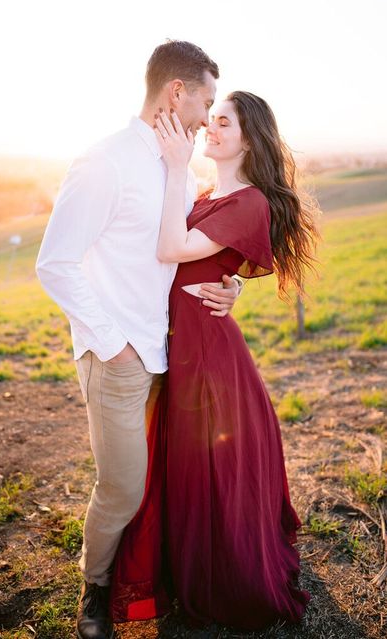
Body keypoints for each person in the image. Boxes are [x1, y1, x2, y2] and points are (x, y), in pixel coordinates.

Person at [35, 41, 242, 639]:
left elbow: (184, 257)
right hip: (119, 357)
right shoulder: (105, 161)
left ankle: (150, 579)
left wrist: (233, 289)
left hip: (170, 353)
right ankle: (93, 590)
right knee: (123, 487)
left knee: (159, 482)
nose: (208, 115)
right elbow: (55, 263)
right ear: (176, 92)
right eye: (205, 98)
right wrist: (112, 344)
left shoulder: (181, 171)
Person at [110, 92, 319, 631]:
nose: (210, 127)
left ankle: (220, 574)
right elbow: (211, 264)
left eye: (224, 122)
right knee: (185, 466)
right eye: (213, 118)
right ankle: (185, 569)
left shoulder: (248, 201)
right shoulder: (208, 193)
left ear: (250, 138)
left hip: (208, 356)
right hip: (187, 343)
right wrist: (231, 285)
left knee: (207, 468)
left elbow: (170, 250)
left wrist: (177, 163)